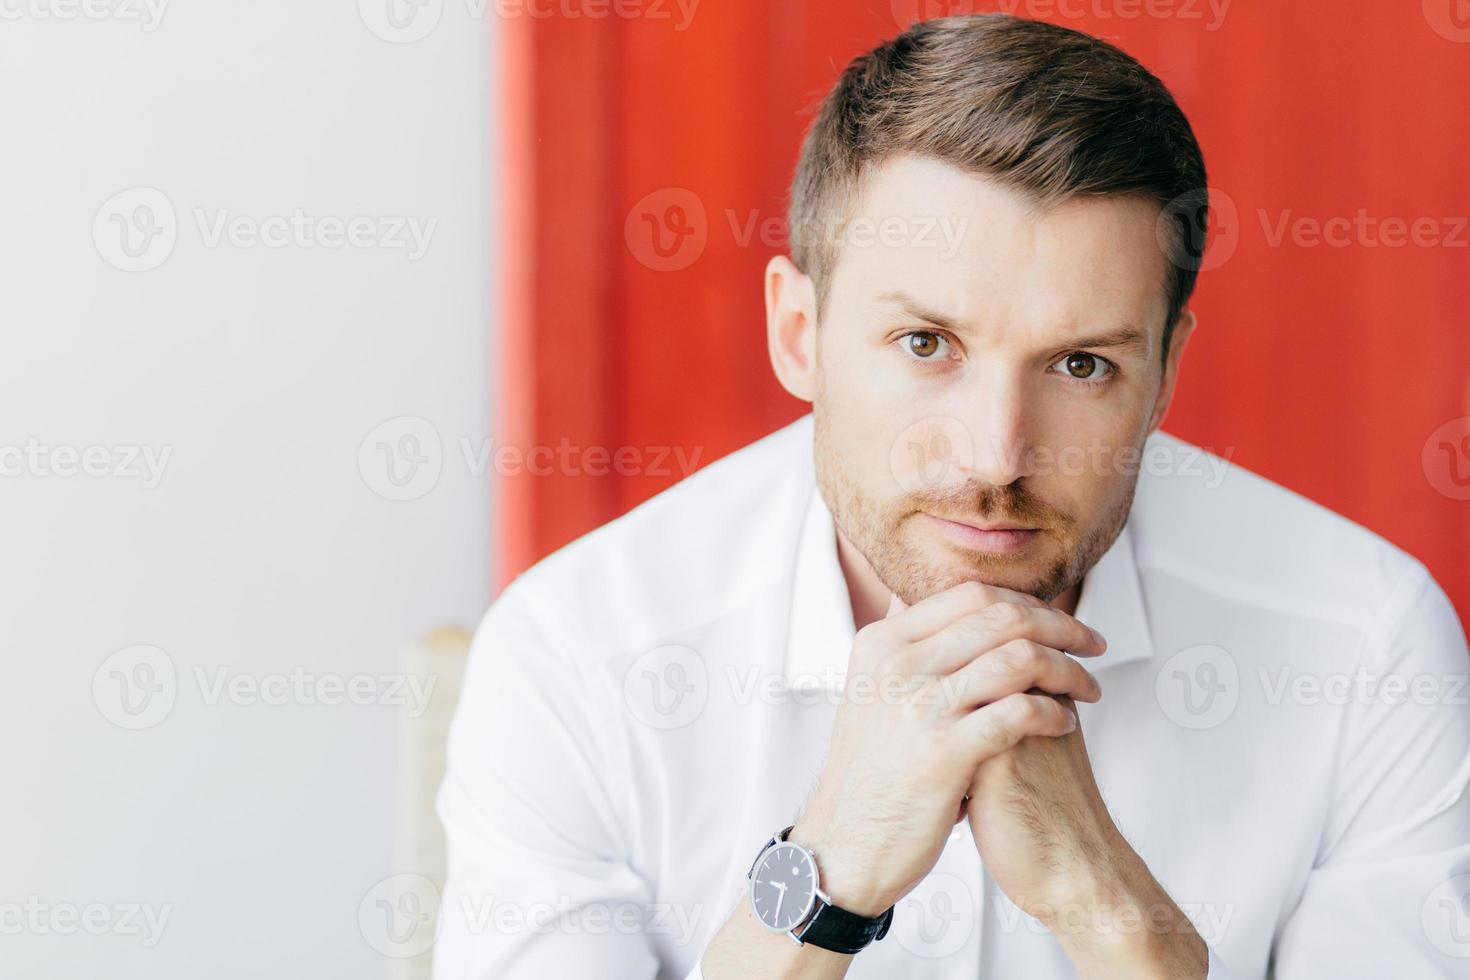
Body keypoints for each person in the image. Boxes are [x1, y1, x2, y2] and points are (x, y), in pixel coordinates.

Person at [434, 13, 1470, 978]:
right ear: (799, 334)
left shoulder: (1365, 646)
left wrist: (1104, 905)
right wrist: (828, 870)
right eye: (925, 344)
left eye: (1079, 364)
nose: (995, 453)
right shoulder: (577, 651)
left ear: (1166, 373)